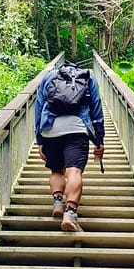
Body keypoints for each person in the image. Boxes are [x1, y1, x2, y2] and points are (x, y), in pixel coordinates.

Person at [34, 63, 105, 232]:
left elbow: (38, 108)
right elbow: (96, 109)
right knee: (74, 172)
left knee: (56, 171)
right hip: (77, 129)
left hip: (50, 129)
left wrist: (39, 139)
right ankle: (70, 213)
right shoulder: (89, 77)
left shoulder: (49, 76)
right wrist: (99, 140)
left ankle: (58, 202)